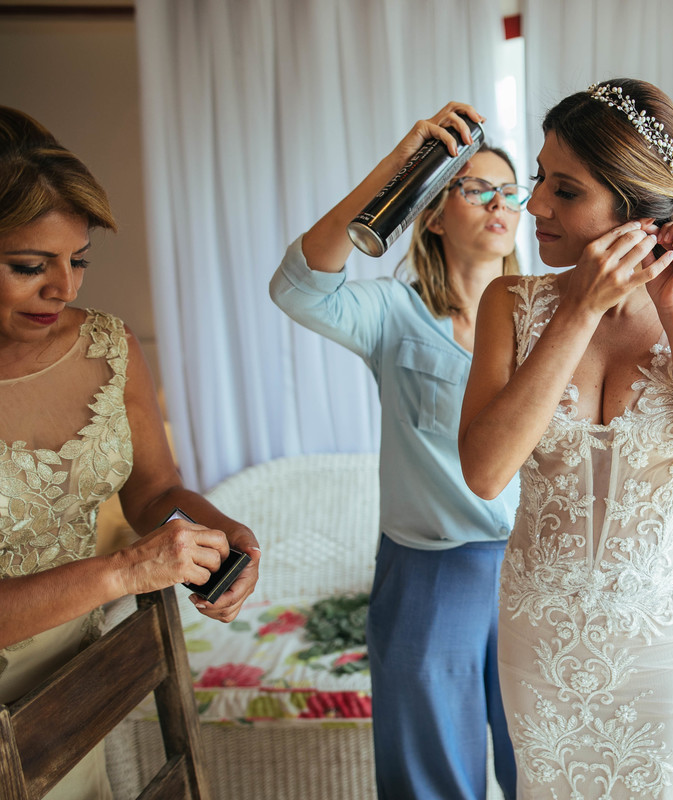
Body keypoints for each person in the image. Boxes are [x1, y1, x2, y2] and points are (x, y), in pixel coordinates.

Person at [459, 78, 673, 798]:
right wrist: (577, 311)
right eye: (541, 178)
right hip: (540, 640)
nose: (534, 205)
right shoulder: (510, 304)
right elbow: (484, 472)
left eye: (565, 190)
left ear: (633, 208)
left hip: (667, 643)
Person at [0, 106, 261, 799]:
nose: (63, 288)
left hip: (74, 691)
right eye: (29, 266)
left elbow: (154, 492)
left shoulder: (107, 348)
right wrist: (125, 570)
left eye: (77, 260)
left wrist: (221, 530)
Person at [269, 102, 525, 800]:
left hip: (533, 569)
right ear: (434, 214)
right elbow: (296, 287)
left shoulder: (546, 318)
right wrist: (399, 167)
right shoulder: (392, 313)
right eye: (477, 188)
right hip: (429, 574)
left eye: (511, 191)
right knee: (429, 782)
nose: (499, 204)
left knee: (543, 771)